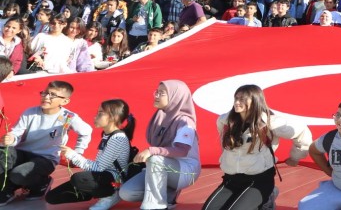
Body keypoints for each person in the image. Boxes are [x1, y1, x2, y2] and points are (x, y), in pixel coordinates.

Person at [203, 84, 313, 210]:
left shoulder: (270, 122)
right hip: (231, 180)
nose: (237, 102)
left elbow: (301, 131)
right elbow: (226, 145)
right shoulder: (224, 120)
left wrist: (295, 157)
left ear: (255, 101)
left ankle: (267, 198)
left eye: (242, 99)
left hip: (258, 180)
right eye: (236, 98)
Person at [0, 80, 94, 205]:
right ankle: (5, 189)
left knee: (19, 174)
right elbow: (16, 133)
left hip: (45, 158)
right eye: (44, 93)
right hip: (22, 153)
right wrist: (11, 138)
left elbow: (86, 131)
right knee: (3, 152)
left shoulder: (68, 117)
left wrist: (77, 152)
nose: (46, 97)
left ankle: (41, 184)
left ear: (65, 101)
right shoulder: (30, 112)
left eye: (52, 95)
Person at [120, 79, 202, 209]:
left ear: (176, 96)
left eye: (162, 93)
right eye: (156, 92)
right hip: (165, 165)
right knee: (127, 193)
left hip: (186, 170)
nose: (156, 95)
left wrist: (152, 151)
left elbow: (182, 151)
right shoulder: (160, 117)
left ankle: (156, 204)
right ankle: (169, 194)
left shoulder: (185, 121)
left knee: (155, 159)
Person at [46, 99, 136, 210]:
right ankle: (95, 192)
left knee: (79, 179)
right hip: (103, 175)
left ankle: (111, 194)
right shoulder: (107, 135)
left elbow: (99, 167)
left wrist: (72, 155)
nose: (95, 116)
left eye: (100, 113)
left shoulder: (118, 138)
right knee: (52, 197)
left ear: (114, 117)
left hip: (114, 178)